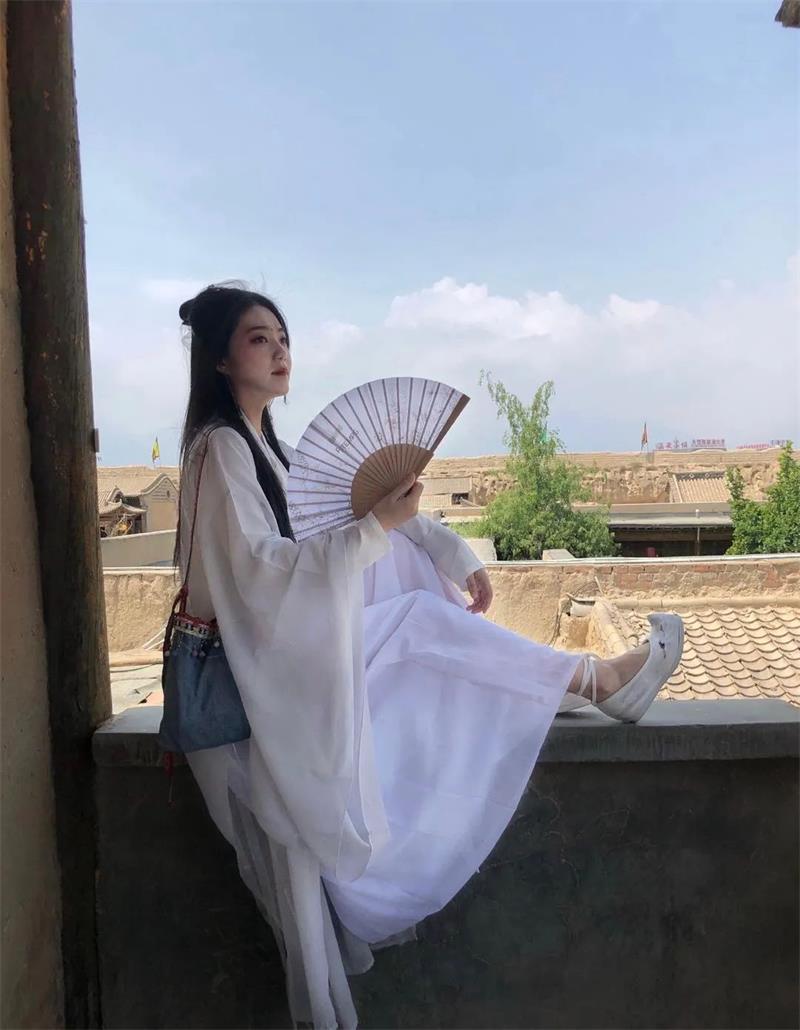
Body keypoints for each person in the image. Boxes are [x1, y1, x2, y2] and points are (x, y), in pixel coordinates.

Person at [174, 283, 684, 1029]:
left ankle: (563, 685)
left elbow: (345, 520)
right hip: (254, 675)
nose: (280, 352)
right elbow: (260, 572)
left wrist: (443, 546)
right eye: (259, 339)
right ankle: (590, 679)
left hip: (281, 655)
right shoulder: (222, 449)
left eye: (284, 338)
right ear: (221, 360)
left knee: (411, 582)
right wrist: (373, 530)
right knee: (416, 621)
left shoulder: (268, 448)